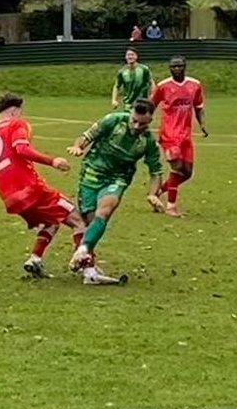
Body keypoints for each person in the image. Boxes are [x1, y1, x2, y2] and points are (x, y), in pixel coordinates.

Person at [0, 92, 87, 279]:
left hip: (10, 198)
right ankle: (90, 270)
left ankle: (35, 259)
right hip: (31, 190)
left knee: (50, 222)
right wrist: (52, 161)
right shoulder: (17, 124)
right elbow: (21, 149)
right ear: (15, 111)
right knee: (78, 221)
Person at [66, 101, 165, 284]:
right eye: (134, 121)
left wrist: (153, 193)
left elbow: (156, 171)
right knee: (89, 221)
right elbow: (87, 135)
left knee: (104, 211)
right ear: (131, 114)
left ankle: (82, 250)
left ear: (150, 120)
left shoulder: (148, 141)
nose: (136, 126)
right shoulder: (113, 121)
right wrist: (79, 146)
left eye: (142, 123)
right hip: (91, 174)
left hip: (117, 179)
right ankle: (89, 271)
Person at [150, 56, 209, 217]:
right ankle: (171, 206)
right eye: (173, 67)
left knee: (187, 173)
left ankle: (156, 194)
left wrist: (202, 125)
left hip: (185, 136)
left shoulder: (194, 85)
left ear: (184, 67)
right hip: (169, 135)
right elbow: (151, 106)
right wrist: (142, 126)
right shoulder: (163, 86)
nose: (176, 69)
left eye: (179, 66)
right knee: (177, 168)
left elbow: (198, 107)